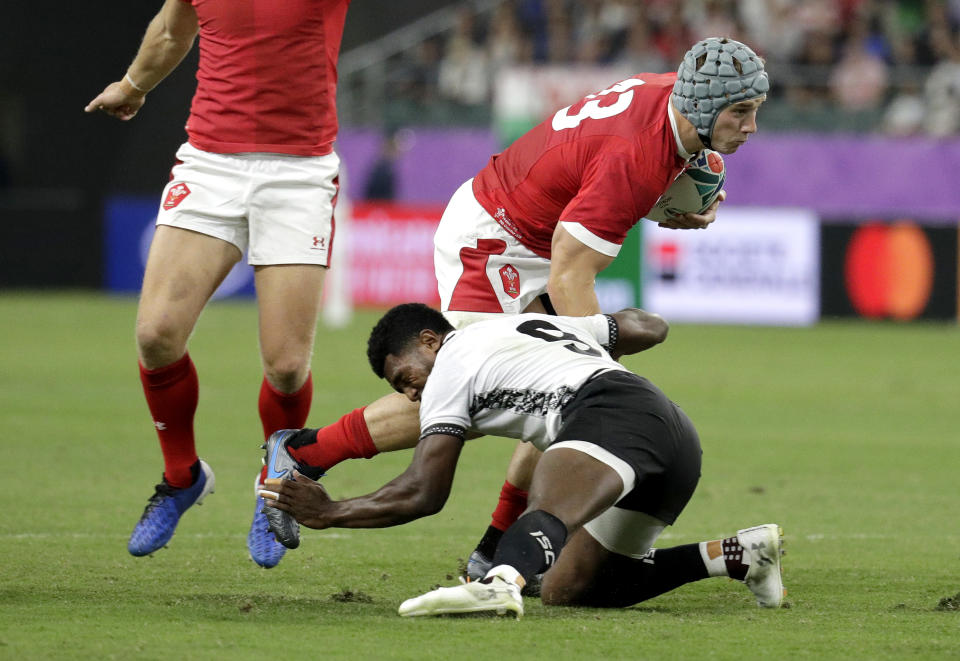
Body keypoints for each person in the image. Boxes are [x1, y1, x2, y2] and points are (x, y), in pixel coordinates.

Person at [257, 37, 770, 577]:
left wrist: (675, 191)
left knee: (543, 397)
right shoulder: (636, 157)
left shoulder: (678, 99)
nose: (751, 127)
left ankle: (491, 550)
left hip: (536, 233)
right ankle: (305, 453)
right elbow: (571, 270)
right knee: (480, 390)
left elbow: (605, 181)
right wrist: (601, 385)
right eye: (741, 113)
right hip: (497, 240)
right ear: (701, 106)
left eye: (753, 111)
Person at [260, 303, 785, 617]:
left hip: (611, 413)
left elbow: (425, 492)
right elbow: (649, 326)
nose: (412, 395)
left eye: (405, 379)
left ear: (430, 341)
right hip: (673, 437)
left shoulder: (449, 367)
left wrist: (331, 512)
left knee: (548, 505)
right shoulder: (521, 326)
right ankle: (736, 555)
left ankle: (500, 584)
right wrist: (583, 335)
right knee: (571, 588)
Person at [84, 0, 352, 568]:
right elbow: (172, 27)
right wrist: (133, 84)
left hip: (298, 175)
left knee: (285, 365)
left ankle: (274, 485)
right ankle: (182, 476)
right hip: (210, 165)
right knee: (156, 333)